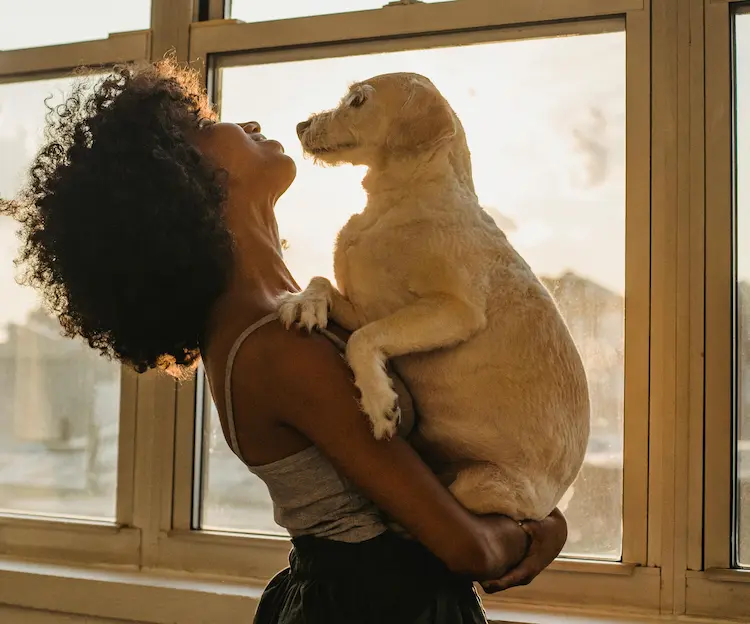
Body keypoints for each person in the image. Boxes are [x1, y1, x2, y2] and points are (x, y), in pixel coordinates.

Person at [1, 59, 568, 623]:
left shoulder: (290, 311)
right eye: (205, 121)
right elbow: (467, 548)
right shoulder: (277, 347)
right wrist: (544, 529)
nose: (244, 123)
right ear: (179, 173)